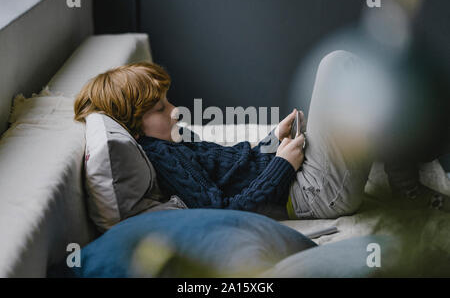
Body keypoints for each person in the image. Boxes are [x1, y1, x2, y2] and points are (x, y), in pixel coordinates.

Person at [73, 50, 450, 221]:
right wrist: (282, 166)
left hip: (299, 178)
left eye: (167, 101)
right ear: (133, 124)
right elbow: (226, 211)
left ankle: (407, 176)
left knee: (350, 88)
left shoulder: (172, 140)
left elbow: (232, 168)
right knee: (339, 66)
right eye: (159, 108)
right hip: (309, 196)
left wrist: (272, 141)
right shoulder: (161, 155)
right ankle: (408, 183)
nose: (174, 110)